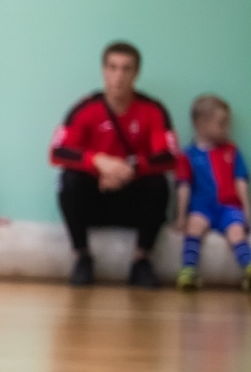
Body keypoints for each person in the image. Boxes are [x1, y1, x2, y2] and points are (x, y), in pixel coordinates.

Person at [51, 41, 179, 287]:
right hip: (96, 197)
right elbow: (58, 151)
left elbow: (169, 156)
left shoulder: (153, 110)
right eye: (113, 68)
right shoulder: (85, 109)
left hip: (133, 199)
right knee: (69, 180)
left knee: (158, 183)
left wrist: (130, 169)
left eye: (126, 69)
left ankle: (141, 260)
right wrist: (98, 162)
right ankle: (82, 257)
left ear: (136, 73)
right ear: (103, 70)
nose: (118, 76)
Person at [175, 94, 251, 291]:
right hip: (202, 206)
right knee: (194, 227)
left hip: (229, 206)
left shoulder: (232, 150)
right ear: (202, 124)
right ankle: (188, 271)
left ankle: (248, 268)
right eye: (221, 124)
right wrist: (181, 216)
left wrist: (247, 210)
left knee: (237, 232)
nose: (226, 129)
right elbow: (183, 187)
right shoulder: (188, 155)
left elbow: (240, 181)